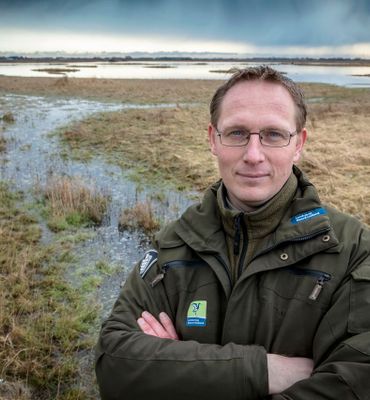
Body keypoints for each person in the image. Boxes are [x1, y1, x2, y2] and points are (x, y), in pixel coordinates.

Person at [95, 66, 370, 399]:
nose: (253, 155)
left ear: (298, 143)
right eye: (237, 133)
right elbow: (114, 363)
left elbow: (355, 382)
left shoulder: (354, 251)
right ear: (213, 139)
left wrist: (176, 371)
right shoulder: (174, 245)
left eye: (273, 134)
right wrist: (264, 370)